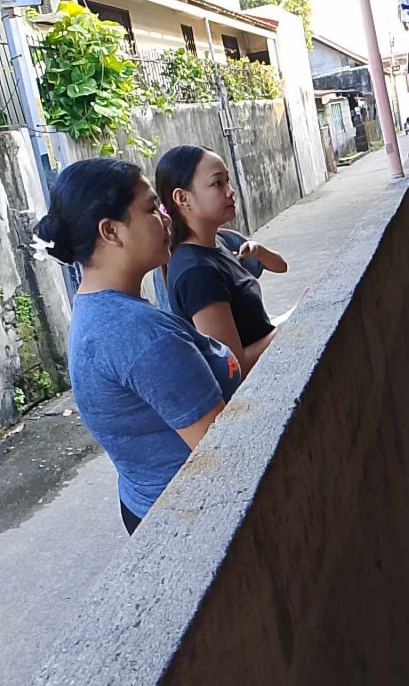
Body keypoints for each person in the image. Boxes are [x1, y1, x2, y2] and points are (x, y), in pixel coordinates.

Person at [34, 158, 241, 535]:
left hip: (148, 504)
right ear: (111, 231)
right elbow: (223, 451)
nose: (166, 218)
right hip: (193, 518)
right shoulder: (139, 335)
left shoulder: (95, 310)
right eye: (151, 208)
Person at [155, 145, 287, 376]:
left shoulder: (223, 241)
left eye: (228, 181)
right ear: (182, 198)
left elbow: (280, 266)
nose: (230, 192)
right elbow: (234, 367)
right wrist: (291, 324)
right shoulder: (197, 272)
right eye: (217, 183)